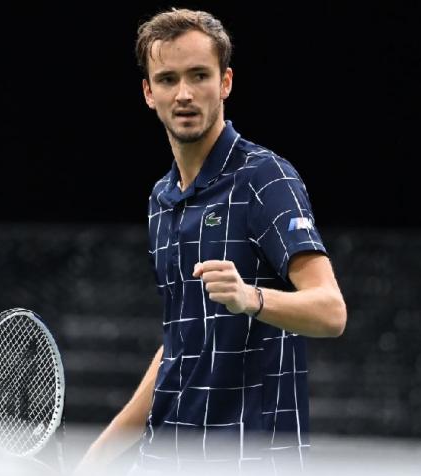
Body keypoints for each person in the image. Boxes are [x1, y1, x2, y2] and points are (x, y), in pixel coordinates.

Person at [76, 7, 346, 475]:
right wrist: (98, 455)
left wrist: (250, 298)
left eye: (199, 75)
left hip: (249, 459)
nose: (183, 94)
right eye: (167, 79)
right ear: (148, 93)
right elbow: (180, 344)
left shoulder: (265, 178)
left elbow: (330, 311)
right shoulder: (161, 199)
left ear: (225, 83)